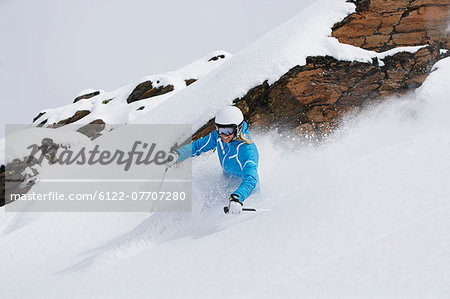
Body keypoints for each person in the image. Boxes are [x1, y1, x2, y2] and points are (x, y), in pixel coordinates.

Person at [165, 106, 259, 214]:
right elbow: (197, 146)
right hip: (228, 188)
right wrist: (178, 154)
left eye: (228, 131)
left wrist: (237, 198)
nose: (223, 135)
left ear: (238, 128)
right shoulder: (218, 137)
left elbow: (251, 178)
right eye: (220, 129)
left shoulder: (247, 150)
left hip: (245, 197)